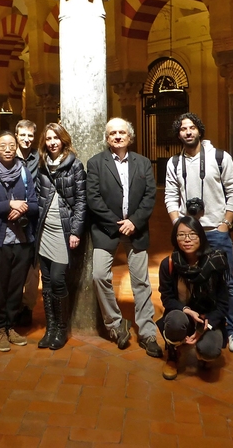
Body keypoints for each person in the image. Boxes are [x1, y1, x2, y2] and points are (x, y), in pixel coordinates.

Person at [164, 112, 233, 353]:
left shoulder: (220, 157)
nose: (187, 132)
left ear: (199, 130)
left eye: (191, 128)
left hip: (215, 230)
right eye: (182, 129)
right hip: (188, 234)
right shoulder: (174, 163)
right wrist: (178, 224)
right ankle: (194, 322)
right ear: (178, 134)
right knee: (189, 280)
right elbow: (169, 196)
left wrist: (225, 224)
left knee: (227, 282)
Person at [87, 118, 162, 358]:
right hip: (106, 228)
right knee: (99, 275)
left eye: (122, 132)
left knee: (141, 282)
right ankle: (116, 325)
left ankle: (148, 332)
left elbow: (150, 196)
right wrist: (117, 224)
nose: (117, 136)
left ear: (130, 136)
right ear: (107, 138)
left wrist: (134, 222)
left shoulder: (142, 163)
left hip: (136, 228)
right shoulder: (96, 163)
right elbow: (93, 198)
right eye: (112, 133)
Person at [0, 131, 39, 352]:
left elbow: (33, 205)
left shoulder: (24, 172)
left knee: (16, 288)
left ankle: (11, 326)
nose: (7, 149)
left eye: (11, 145)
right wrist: (10, 205)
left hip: (22, 241)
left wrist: (22, 207)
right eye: (2, 145)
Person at [35, 122, 87, 350]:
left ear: (63, 140)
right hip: (44, 229)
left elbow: (82, 202)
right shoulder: (42, 165)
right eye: (48, 139)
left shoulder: (75, 165)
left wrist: (76, 230)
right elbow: (38, 196)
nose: (52, 142)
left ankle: (62, 329)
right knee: (45, 282)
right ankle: (50, 328)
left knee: (57, 279)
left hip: (63, 231)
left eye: (55, 138)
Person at [157, 216, 229, 380]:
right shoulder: (169, 264)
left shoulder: (216, 262)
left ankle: (203, 355)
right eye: (181, 235)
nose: (187, 239)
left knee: (210, 350)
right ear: (175, 238)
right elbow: (167, 299)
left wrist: (206, 324)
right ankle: (173, 355)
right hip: (183, 314)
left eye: (192, 234)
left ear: (201, 237)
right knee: (174, 321)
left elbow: (224, 303)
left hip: (206, 317)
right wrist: (187, 311)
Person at [15, 119, 39, 327]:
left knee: (33, 268)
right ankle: (12, 306)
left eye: (30, 135)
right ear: (16, 136)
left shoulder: (38, 158)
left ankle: (27, 308)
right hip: (12, 218)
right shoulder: (7, 156)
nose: (26, 139)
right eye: (23, 135)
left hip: (33, 219)